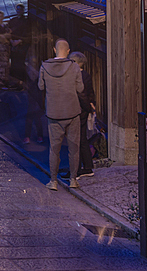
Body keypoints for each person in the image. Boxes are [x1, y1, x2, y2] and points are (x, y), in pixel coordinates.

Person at [38, 38, 84, 190]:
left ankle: (53, 181)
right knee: (73, 148)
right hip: (72, 112)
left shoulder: (44, 66)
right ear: (68, 51)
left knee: (54, 148)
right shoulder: (74, 67)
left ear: (54, 49)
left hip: (53, 113)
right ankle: (73, 180)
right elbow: (80, 89)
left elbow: (40, 86)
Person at [65, 51, 95, 180]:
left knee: (75, 140)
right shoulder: (86, 75)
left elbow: (81, 94)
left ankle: (76, 170)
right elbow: (90, 93)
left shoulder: (76, 76)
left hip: (78, 110)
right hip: (83, 110)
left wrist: (87, 106)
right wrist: (91, 105)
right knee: (81, 139)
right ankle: (87, 167)